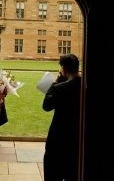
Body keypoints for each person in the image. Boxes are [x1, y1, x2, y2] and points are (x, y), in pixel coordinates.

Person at [42, 53, 82, 181]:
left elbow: (46, 106)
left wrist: (53, 84)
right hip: (78, 139)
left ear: (63, 68)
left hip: (58, 139)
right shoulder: (84, 85)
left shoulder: (60, 88)